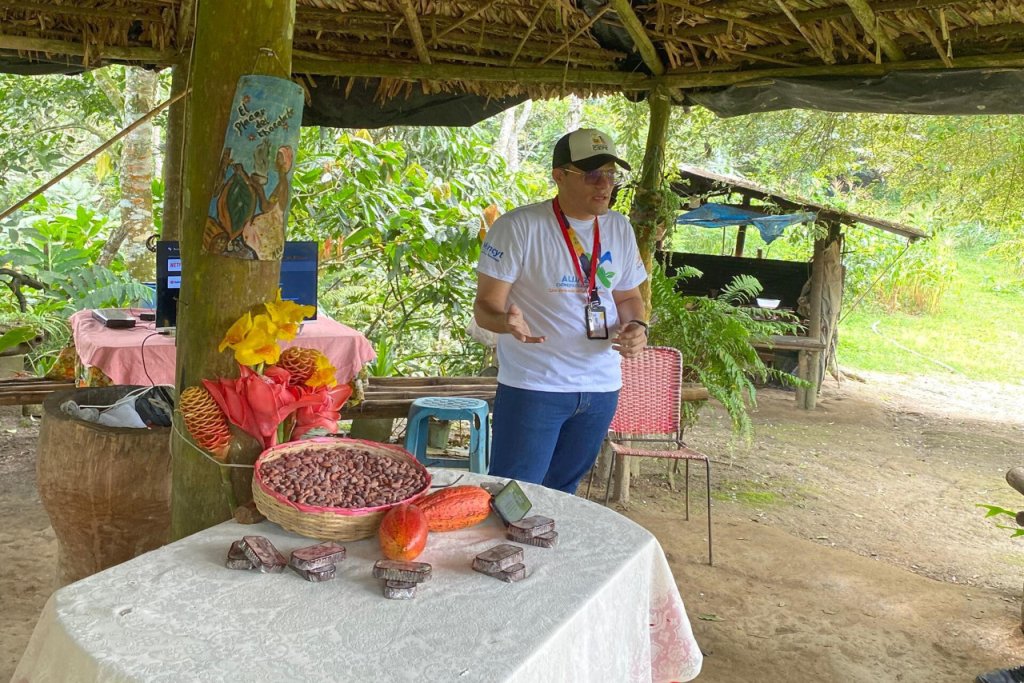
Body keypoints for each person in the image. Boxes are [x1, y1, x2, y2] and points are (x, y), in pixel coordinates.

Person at [473, 128, 649, 494]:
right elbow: (485, 307)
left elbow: (629, 298)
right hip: (535, 387)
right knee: (513, 495)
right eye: (592, 174)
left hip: (601, 387)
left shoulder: (619, 227)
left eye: (611, 174)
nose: (605, 185)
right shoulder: (519, 226)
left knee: (564, 498)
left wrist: (637, 325)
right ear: (559, 175)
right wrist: (506, 322)